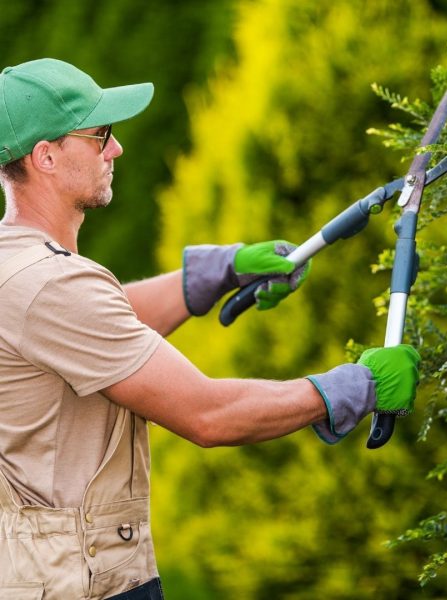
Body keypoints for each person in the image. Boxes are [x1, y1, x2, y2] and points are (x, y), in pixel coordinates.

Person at [0, 58, 420, 600]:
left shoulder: (18, 266)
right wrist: (356, 386)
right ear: (46, 156)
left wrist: (218, 270)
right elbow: (209, 415)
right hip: (85, 587)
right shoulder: (50, 284)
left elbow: (97, 326)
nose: (115, 149)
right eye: (99, 135)